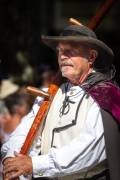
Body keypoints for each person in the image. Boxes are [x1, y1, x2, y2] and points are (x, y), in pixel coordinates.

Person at [1, 24, 120, 180]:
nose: (63, 56)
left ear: (91, 57)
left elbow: (88, 150)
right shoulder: (50, 93)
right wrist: (11, 158)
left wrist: (35, 165)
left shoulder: (107, 95)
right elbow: (24, 130)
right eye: (60, 51)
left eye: (70, 50)